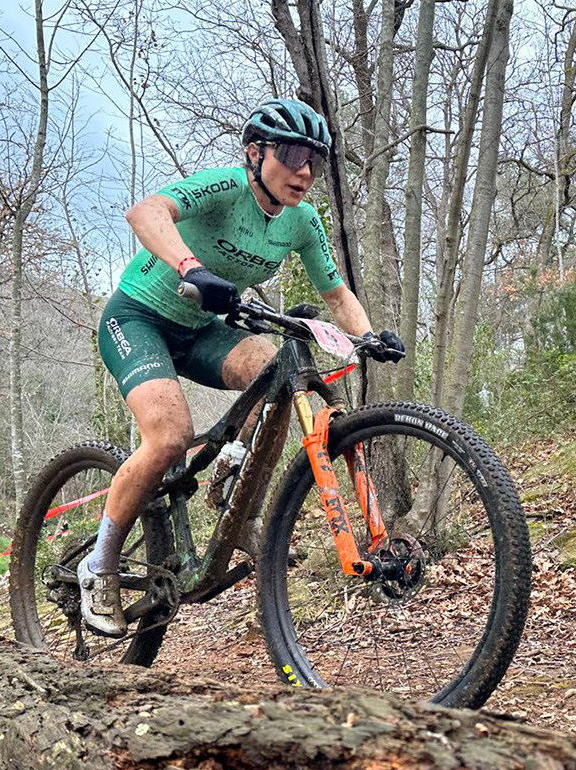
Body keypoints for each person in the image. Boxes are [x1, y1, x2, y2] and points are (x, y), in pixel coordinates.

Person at [82, 98, 404, 638]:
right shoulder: (226, 187)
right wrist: (191, 267)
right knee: (168, 437)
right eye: (294, 154)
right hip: (139, 317)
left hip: (204, 330)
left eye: (315, 161)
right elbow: (146, 212)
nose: (304, 171)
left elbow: (336, 291)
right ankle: (100, 567)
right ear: (255, 153)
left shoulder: (301, 221)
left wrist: (367, 336)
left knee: (275, 367)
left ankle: (235, 485)